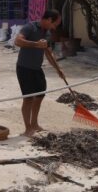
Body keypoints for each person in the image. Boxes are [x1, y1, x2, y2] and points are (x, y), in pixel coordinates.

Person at [14, 9, 65, 137]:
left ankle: (35, 123)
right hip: (24, 68)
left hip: (37, 68)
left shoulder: (47, 33)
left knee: (40, 95)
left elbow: (48, 52)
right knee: (28, 98)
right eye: (55, 24)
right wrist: (36, 44)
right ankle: (28, 128)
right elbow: (17, 41)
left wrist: (58, 69)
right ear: (48, 20)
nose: (54, 27)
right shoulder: (30, 27)